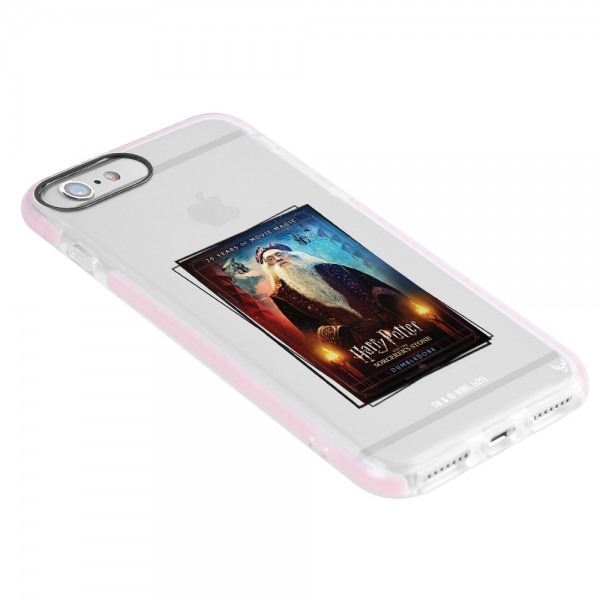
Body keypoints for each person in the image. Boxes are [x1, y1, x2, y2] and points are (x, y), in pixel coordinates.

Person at [255, 243, 416, 346]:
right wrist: (342, 335)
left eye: (279, 254)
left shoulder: (331, 268)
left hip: (395, 320)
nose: (277, 259)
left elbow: (373, 284)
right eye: (270, 259)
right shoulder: (281, 295)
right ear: (269, 267)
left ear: (292, 254)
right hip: (359, 341)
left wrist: (392, 301)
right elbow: (306, 326)